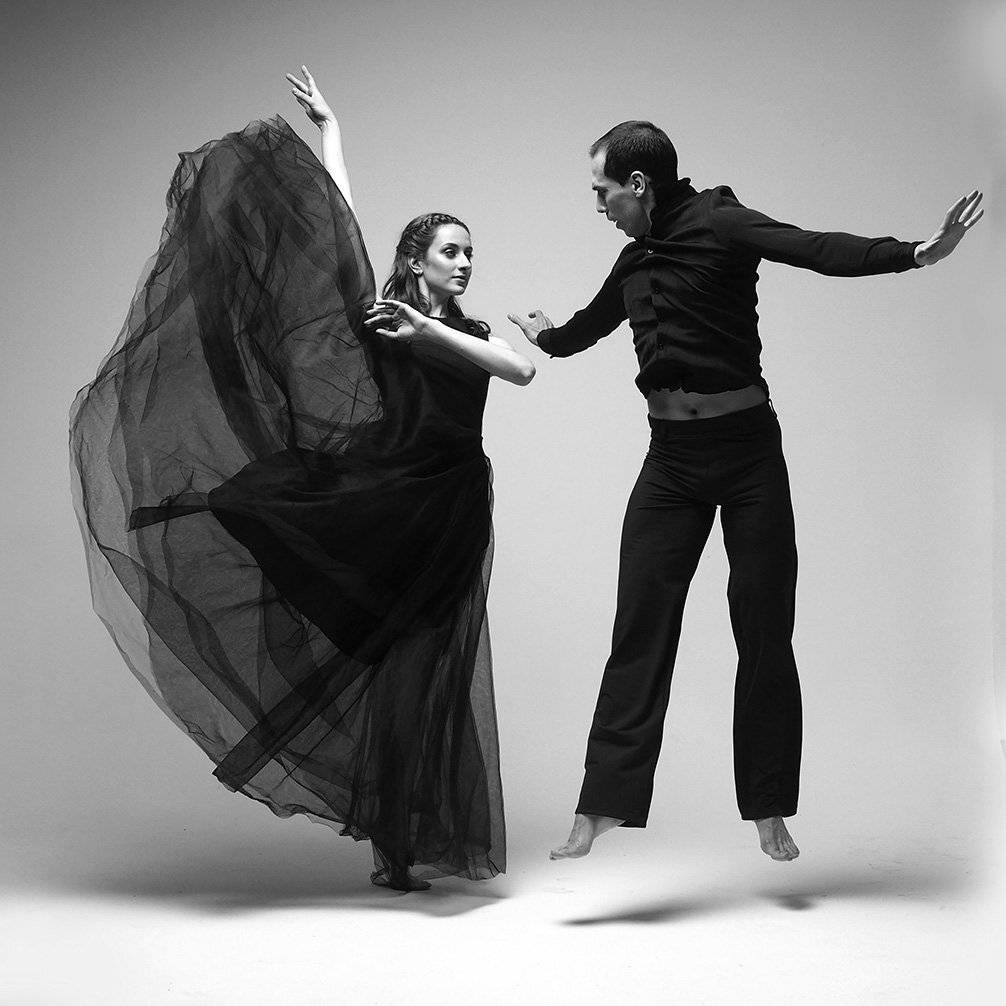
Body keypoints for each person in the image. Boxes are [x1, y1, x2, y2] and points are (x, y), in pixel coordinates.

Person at [69, 66, 534, 893]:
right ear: (416, 260)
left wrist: (431, 328)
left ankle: (405, 840)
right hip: (391, 500)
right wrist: (331, 132)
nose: (466, 263)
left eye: (470, 252)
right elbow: (334, 235)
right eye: (451, 251)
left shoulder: (466, 332)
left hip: (453, 509)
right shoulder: (385, 320)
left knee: (429, 668)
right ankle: (396, 847)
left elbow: (521, 371)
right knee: (386, 656)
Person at [508, 120, 982, 864]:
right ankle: (601, 805)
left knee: (763, 627)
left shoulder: (721, 223)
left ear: (638, 184)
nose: (597, 205)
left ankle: (767, 806)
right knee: (640, 625)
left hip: (748, 454)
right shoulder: (634, 261)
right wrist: (546, 336)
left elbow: (813, 247)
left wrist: (916, 252)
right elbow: (586, 330)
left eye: (602, 190)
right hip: (671, 462)